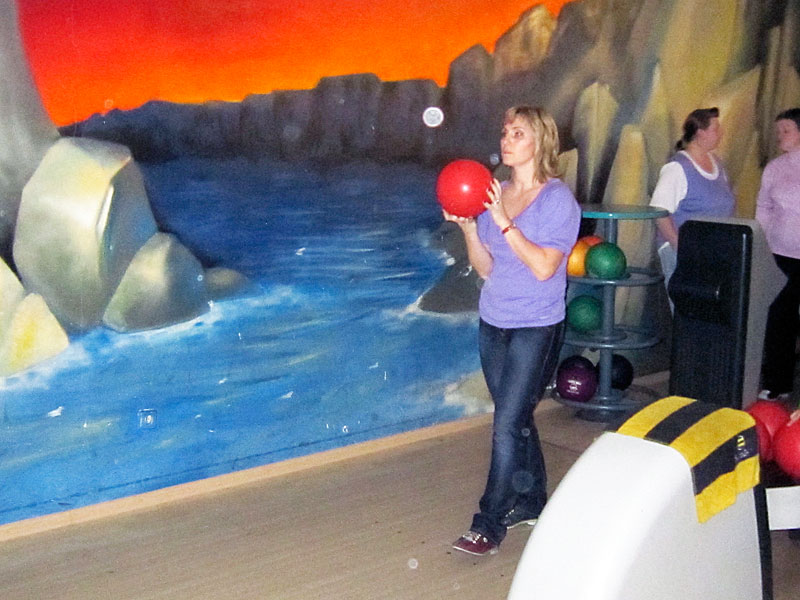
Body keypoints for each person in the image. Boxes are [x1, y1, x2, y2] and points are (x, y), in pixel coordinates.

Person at [444, 106, 580, 556]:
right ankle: (532, 500)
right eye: (505, 132)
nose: (506, 140)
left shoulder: (558, 201)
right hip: (494, 321)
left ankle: (488, 522)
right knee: (515, 418)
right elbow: (486, 268)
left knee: (505, 426)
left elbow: (543, 267)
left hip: (536, 326)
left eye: (518, 133)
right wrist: (470, 229)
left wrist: (503, 219)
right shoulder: (494, 194)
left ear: (540, 142)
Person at [649, 107, 736, 295]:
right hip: (686, 253)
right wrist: (679, 246)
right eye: (716, 129)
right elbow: (659, 210)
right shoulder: (677, 168)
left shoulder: (717, 164)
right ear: (700, 133)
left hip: (714, 253)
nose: (721, 133)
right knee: (687, 306)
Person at [755, 108, 800, 402]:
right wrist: (763, 246)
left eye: (786, 130)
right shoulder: (774, 168)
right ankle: (777, 383)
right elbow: (763, 208)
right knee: (779, 319)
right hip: (780, 256)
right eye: (778, 131)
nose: (780, 136)